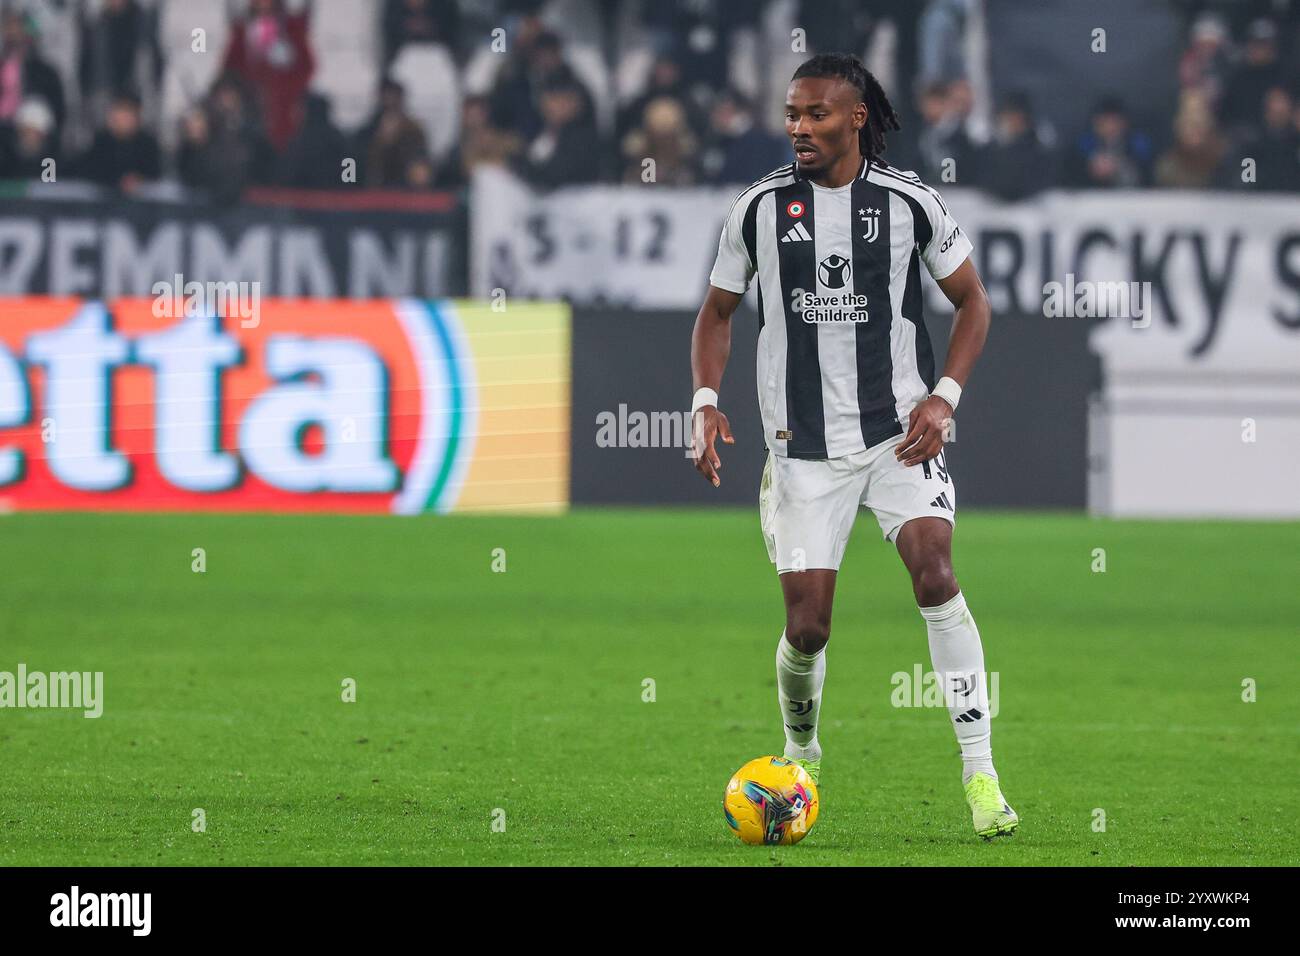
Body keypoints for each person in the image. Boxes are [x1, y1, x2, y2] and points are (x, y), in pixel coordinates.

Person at [689, 52, 1015, 839]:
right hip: (801, 447)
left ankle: (981, 775)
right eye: (793, 114)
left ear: (857, 117)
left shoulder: (910, 204)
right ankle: (801, 752)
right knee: (808, 627)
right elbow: (717, 315)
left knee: (935, 570)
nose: (799, 128)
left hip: (899, 434)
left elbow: (973, 303)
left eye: (817, 114)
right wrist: (704, 401)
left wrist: (945, 397)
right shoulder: (759, 209)